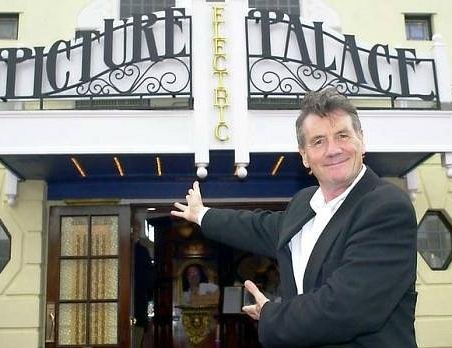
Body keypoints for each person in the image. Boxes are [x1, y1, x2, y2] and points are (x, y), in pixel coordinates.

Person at [171, 87, 418, 347]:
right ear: (304, 156)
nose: (333, 150)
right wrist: (202, 215)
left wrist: (271, 316)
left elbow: (346, 309)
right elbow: (257, 227)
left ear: (361, 141)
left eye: (342, 135)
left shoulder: (386, 207)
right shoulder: (305, 202)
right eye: (318, 141)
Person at [133, 226, 154, 348]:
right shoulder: (142, 252)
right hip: (139, 304)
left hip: (121, 307)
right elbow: (149, 280)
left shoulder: (119, 248)